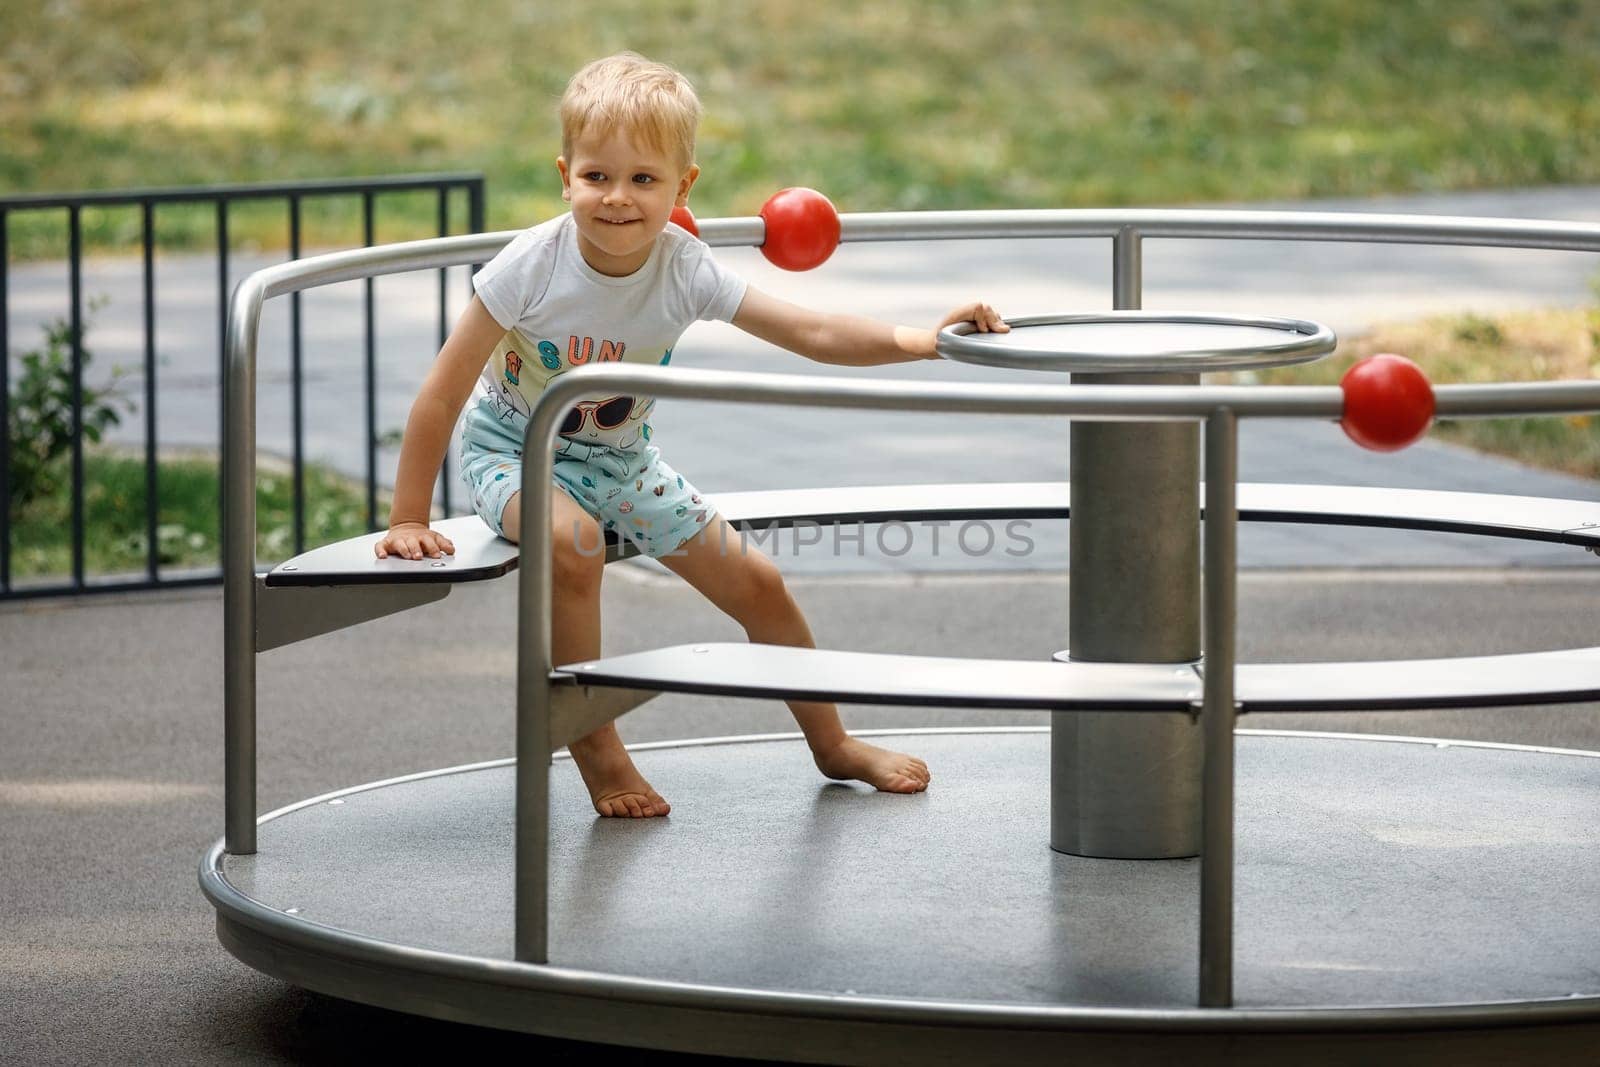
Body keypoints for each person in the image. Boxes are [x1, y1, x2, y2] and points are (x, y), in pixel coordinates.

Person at [375, 52, 1008, 818]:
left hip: (620, 459)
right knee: (573, 544)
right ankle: (596, 744)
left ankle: (833, 742)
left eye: (643, 179)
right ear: (564, 174)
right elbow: (442, 393)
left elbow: (810, 328)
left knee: (760, 584)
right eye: (596, 176)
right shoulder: (530, 267)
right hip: (511, 449)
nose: (617, 198)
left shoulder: (684, 268)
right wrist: (408, 515)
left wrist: (921, 339)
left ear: (684, 186)